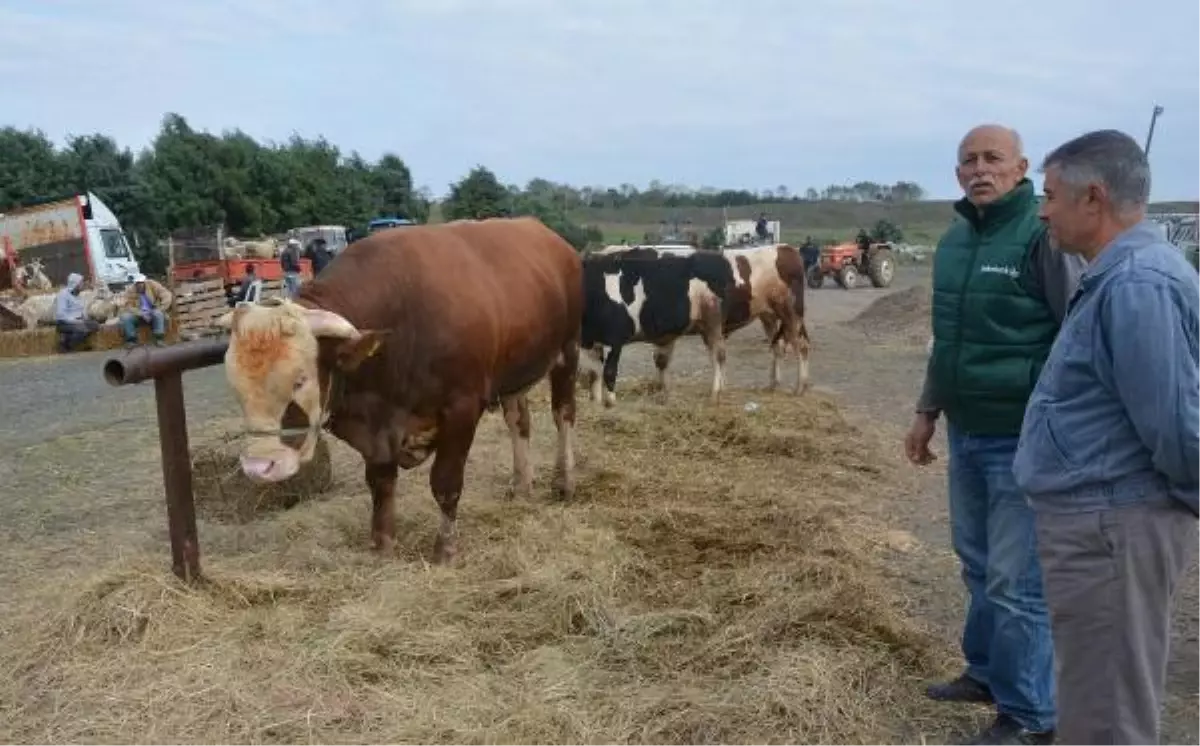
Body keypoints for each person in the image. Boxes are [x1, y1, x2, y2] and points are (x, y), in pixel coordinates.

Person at [1012, 129, 1200, 745]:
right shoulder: (1119, 275)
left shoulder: (1138, 283)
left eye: (1050, 196)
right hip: (1104, 525)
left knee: (1108, 713)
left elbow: (1175, 427)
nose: (1041, 211)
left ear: (1092, 198)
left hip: (1113, 528)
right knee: (1094, 695)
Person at [905, 124, 1086, 745]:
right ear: (957, 173)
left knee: (1017, 582)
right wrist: (927, 410)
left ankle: (1033, 717)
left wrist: (1057, 423)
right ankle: (985, 672)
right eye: (968, 161)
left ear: (1021, 167)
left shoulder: (1044, 236)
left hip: (1022, 439)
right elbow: (946, 336)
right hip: (966, 431)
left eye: (993, 159)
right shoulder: (954, 241)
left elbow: (1076, 334)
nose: (980, 170)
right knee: (978, 565)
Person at [119, 273, 173, 348]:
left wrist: (161, 308)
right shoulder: (130, 290)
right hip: (139, 314)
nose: (139, 285)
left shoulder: (153, 284)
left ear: (144, 282)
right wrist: (141, 314)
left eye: (141, 283)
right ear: (135, 284)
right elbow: (127, 306)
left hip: (153, 310)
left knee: (157, 313)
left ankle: (159, 338)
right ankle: (131, 340)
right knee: (125, 317)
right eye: (137, 283)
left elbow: (167, 295)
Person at [52, 272, 99, 352]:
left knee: (94, 325)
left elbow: (81, 311)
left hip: (78, 321)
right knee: (83, 329)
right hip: (64, 323)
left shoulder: (78, 295)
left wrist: (85, 319)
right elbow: (61, 314)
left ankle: (68, 338)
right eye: (81, 283)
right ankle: (65, 346)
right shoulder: (63, 294)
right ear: (75, 284)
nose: (82, 285)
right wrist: (76, 321)